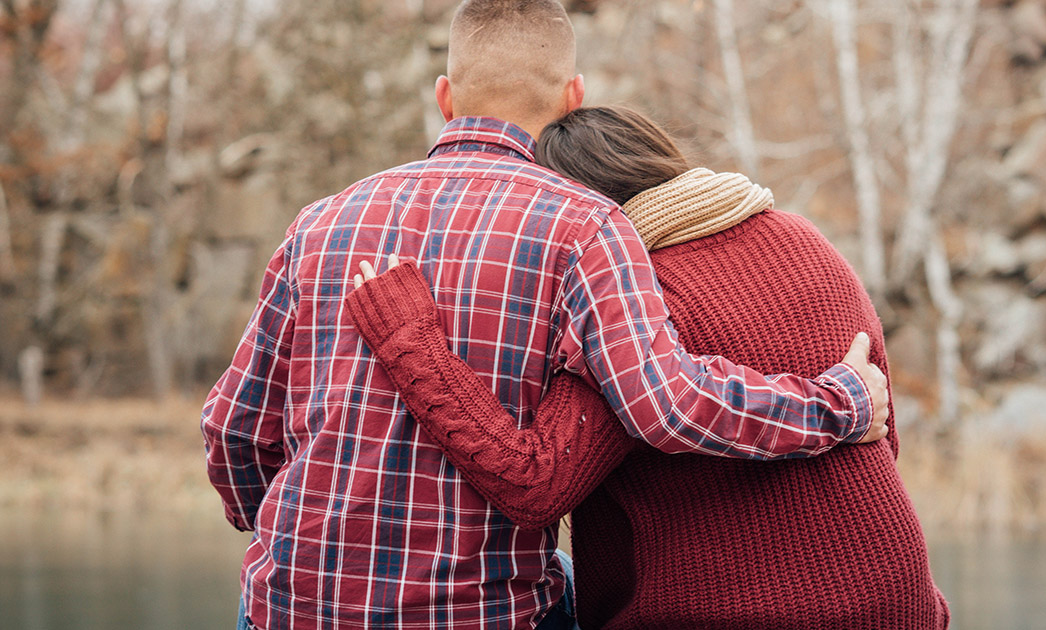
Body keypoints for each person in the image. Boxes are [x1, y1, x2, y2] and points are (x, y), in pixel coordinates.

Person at [202, 1, 888, 627]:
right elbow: (668, 405)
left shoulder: (319, 223)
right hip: (475, 612)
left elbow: (232, 428)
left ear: (445, 97)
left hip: (287, 602)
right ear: (572, 98)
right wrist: (838, 404)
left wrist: (287, 537)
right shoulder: (587, 228)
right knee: (562, 580)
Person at [346, 106, 949, 629]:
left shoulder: (628, 301)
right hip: (899, 601)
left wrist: (413, 346)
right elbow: (882, 436)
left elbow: (536, 482)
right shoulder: (805, 238)